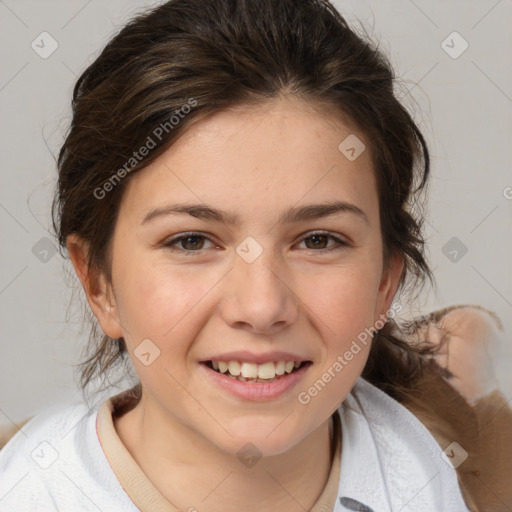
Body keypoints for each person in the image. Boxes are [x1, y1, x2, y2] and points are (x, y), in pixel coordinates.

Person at [0, 0, 510, 510]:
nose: (261, 307)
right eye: (191, 241)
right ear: (99, 284)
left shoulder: (438, 474)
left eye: (318, 240)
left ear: (385, 283)